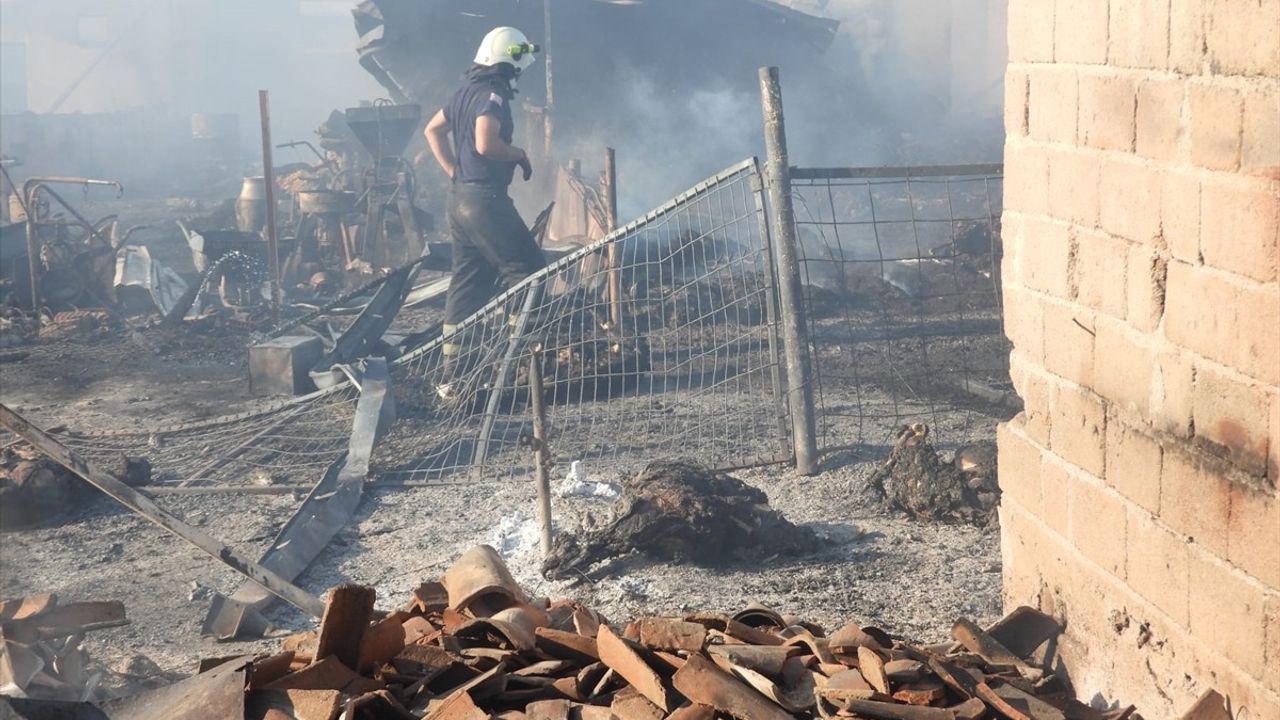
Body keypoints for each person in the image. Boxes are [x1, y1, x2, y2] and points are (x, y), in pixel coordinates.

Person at [424, 26, 546, 398]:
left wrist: (454, 173)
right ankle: (516, 364)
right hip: (485, 201)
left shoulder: (463, 93)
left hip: (459, 200)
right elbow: (485, 143)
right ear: (508, 63)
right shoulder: (492, 95)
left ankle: (454, 377)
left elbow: (433, 131)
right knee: (529, 274)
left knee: (468, 283)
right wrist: (519, 154)